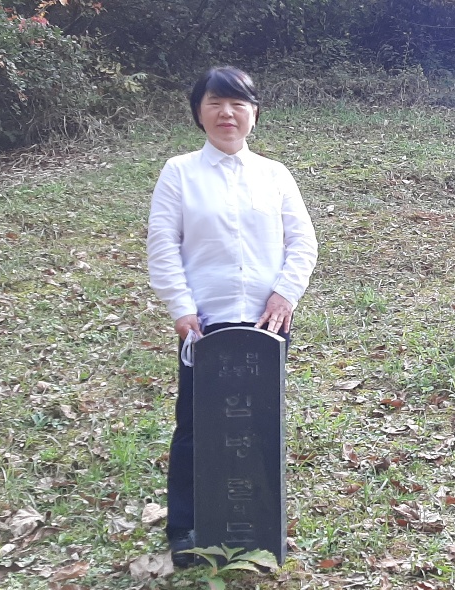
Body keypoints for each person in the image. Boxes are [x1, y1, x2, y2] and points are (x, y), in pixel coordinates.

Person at [146, 66, 318, 567]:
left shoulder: (274, 174)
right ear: (198, 113)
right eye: (215, 103)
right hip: (206, 321)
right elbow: (163, 245)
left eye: (238, 103)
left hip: (268, 321)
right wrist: (181, 308)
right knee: (196, 424)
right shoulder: (180, 173)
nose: (227, 113)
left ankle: (261, 523)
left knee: (261, 422)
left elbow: (302, 242)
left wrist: (285, 296)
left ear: (254, 113)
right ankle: (187, 526)